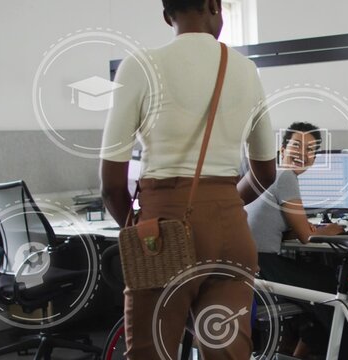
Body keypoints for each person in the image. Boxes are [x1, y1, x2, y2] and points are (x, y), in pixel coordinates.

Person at [99, 1, 276, 359]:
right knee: (227, 352)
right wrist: (220, 208)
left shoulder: (140, 66)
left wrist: (139, 233)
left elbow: (111, 183)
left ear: (168, 16)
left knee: (153, 351)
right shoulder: (246, 70)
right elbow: (265, 173)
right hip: (231, 227)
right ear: (214, 5)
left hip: (161, 226)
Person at [245, 121, 348, 359]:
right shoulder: (285, 176)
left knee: (317, 284)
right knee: (332, 285)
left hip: (251, 267)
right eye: (296, 145)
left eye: (310, 149)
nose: (302, 154)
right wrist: (332, 229)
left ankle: (300, 352)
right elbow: (307, 236)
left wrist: (300, 228)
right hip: (264, 268)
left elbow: (278, 225)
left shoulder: (267, 174)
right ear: (282, 150)